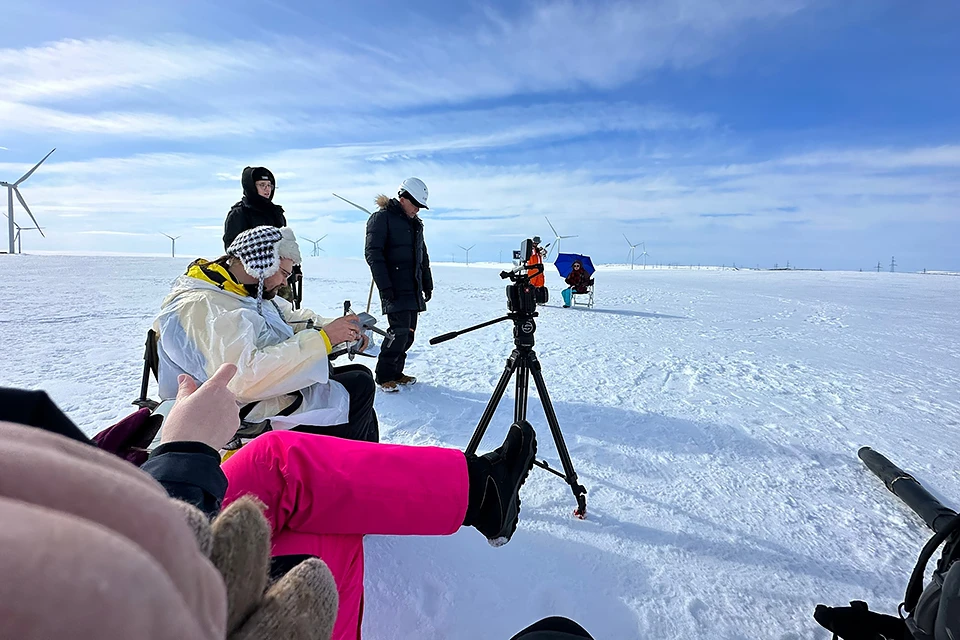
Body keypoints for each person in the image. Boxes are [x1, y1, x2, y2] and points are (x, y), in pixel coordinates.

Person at [0, 364, 544, 640]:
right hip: (142, 554)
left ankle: (480, 493)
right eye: (279, 262)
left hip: (131, 515)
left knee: (320, 513)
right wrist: (185, 452)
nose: (285, 272)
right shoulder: (207, 298)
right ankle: (480, 492)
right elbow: (119, 573)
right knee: (282, 463)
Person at [155, 225, 379, 442]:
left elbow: (291, 321)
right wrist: (324, 339)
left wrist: (341, 332)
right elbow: (244, 378)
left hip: (256, 395)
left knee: (359, 376)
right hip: (229, 411)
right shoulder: (205, 305)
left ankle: (369, 464)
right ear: (260, 264)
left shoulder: (243, 293)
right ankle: (343, 472)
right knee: (357, 387)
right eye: (283, 273)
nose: (284, 282)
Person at [364, 178, 434, 392]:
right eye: (416, 205)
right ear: (403, 198)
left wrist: (427, 282)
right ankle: (384, 376)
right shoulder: (381, 218)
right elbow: (373, 254)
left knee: (409, 333)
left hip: (412, 287)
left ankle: (396, 372)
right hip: (393, 286)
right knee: (399, 331)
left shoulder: (415, 224)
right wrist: (385, 286)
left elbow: (422, 256)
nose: (417, 210)